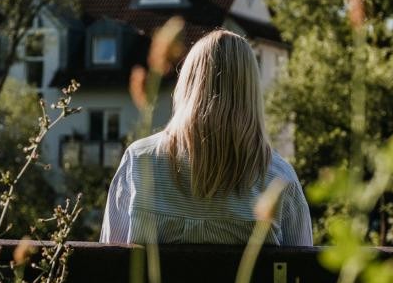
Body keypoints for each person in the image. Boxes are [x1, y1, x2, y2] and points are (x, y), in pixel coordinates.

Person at [100, 29, 312, 246]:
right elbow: (302, 274)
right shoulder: (278, 179)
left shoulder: (140, 161)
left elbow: (109, 264)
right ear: (251, 92)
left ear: (188, 84)